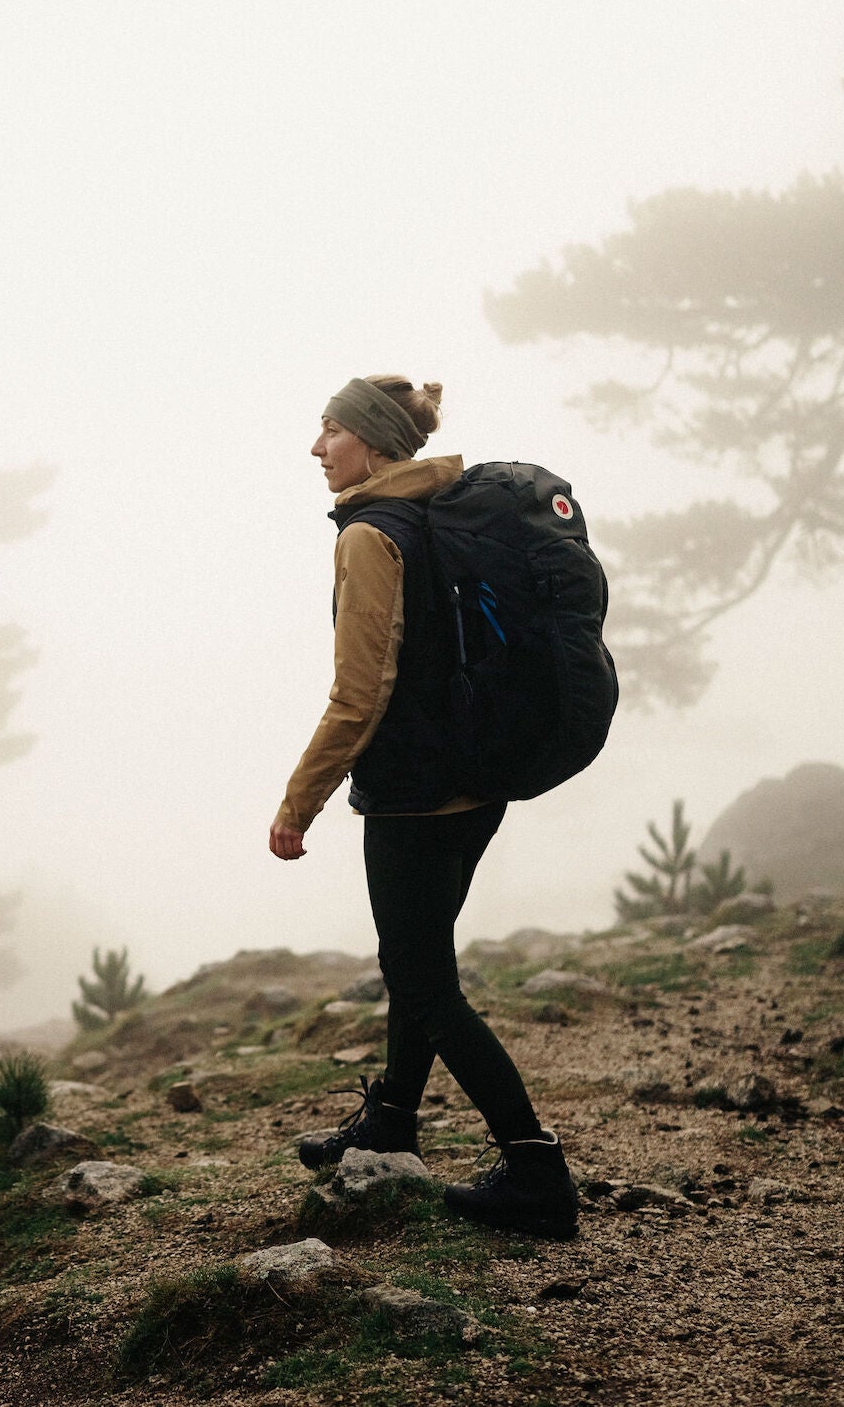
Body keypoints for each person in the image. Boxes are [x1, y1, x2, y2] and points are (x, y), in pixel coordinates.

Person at [269, 376, 578, 1240]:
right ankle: (395, 1119)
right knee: (421, 962)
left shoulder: (372, 535)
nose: (316, 448)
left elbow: (359, 692)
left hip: (415, 796)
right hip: (476, 782)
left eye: (328, 430)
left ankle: (534, 1169)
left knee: (423, 984)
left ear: (368, 441)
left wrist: (300, 802)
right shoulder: (437, 513)